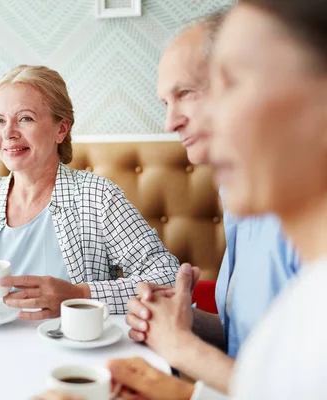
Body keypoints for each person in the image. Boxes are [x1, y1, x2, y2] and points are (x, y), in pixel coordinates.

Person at [106, 0, 327, 398]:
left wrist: (181, 350)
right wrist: (180, 322)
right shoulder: (244, 198)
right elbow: (258, 338)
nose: (171, 122)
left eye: (230, 84)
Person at [0, 65, 179, 319]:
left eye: (25, 119)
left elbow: (168, 277)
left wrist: (79, 296)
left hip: (74, 356)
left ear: (61, 129)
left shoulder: (98, 198)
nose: (8, 133)